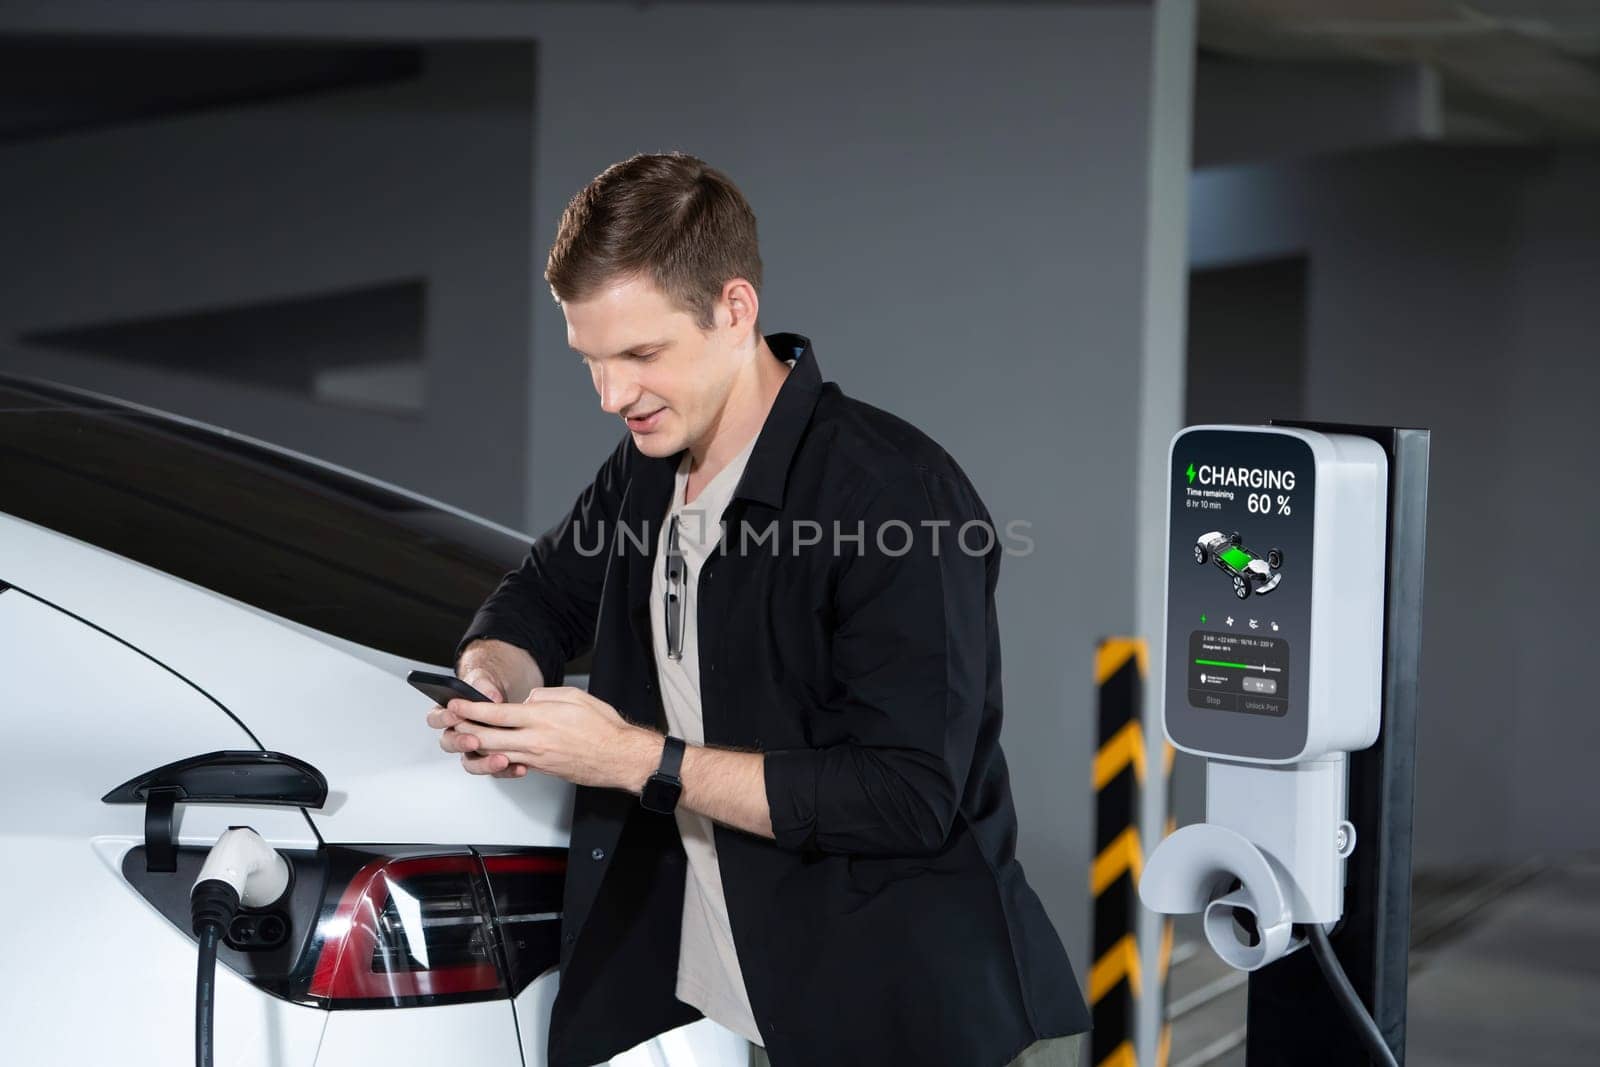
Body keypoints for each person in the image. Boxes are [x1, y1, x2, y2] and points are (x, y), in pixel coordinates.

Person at [425, 152, 1090, 1067]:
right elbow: (543, 594)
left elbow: (903, 795)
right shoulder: (647, 467)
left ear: (735, 311)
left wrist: (629, 759)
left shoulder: (892, 495)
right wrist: (492, 678)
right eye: (592, 361)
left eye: (641, 355)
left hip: (915, 1023)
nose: (614, 396)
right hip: (745, 1013)